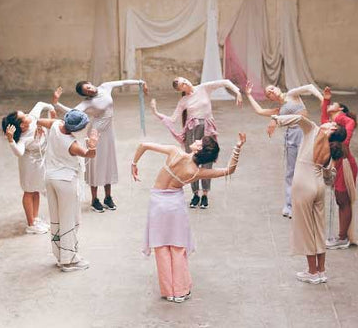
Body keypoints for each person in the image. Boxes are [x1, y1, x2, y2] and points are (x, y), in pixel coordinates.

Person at [131, 133, 246, 302]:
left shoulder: (175, 152)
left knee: (161, 246)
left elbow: (143, 145)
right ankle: (181, 291)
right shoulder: (197, 172)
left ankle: (168, 291)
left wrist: (134, 163)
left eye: (200, 141)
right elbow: (229, 170)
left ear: (199, 148)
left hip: (157, 204)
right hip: (175, 206)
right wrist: (238, 147)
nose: (197, 140)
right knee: (177, 246)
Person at [268, 114, 346, 284]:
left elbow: (298, 118)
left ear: (332, 129)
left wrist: (276, 119)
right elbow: (329, 176)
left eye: (331, 123)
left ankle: (312, 271)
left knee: (305, 229)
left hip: (303, 185)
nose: (327, 122)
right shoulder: (331, 148)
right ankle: (321, 271)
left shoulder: (313, 130)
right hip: (318, 187)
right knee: (318, 229)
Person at [52, 80, 148, 213]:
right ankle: (95, 199)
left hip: (109, 132)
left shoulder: (105, 87)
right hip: (96, 133)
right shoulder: (88, 102)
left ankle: (108, 197)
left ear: (90, 83)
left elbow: (123, 82)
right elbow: (73, 111)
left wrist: (140, 82)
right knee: (95, 165)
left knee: (108, 163)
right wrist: (56, 103)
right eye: (86, 91)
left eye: (88, 87)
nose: (90, 90)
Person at [150, 77, 242, 209]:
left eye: (184, 80)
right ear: (181, 89)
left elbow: (225, 82)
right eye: (182, 84)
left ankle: (205, 193)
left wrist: (237, 92)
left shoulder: (203, 88)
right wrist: (156, 112)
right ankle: (195, 194)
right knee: (191, 161)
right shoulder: (184, 100)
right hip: (192, 132)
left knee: (207, 161)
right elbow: (173, 119)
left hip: (207, 130)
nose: (186, 83)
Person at [245, 81, 323, 219]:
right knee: (291, 172)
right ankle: (289, 205)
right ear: (271, 98)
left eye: (272, 88)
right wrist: (248, 95)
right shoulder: (279, 110)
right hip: (292, 140)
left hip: (306, 136)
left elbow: (309, 87)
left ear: (278, 88)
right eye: (269, 93)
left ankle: (308, 203)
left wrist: (322, 98)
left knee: (309, 169)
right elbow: (260, 111)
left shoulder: (292, 95)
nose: (272, 91)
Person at [37, 109, 99, 272]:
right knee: (69, 219)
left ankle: (59, 255)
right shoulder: (72, 144)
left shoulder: (56, 124)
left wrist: (38, 126)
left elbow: (38, 120)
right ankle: (68, 260)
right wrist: (93, 145)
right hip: (65, 182)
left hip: (50, 178)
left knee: (57, 219)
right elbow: (89, 155)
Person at [1, 102, 55, 234]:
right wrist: (10, 139)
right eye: (24, 116)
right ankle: (30, 224)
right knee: (29, 191)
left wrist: (52, 109)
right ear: (22, 125)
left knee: (36, 190)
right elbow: (19, 152)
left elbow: (41, 104)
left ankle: (35, 219)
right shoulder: (23, 138)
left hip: (39, 162)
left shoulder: (32, 118)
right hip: (29, 165)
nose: (27, 114)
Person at [320, 87, 358, 249]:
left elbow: (350, 124)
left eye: (333, 103)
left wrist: (344, 143)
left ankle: (343, 238)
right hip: (337, 164)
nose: (330, 105)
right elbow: (323, 120)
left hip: (345, 165)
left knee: (343, 200)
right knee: (339, 199)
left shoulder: (345, 121)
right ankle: (342, 236)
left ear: (341, 109)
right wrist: (326, 100)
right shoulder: (331, 123)